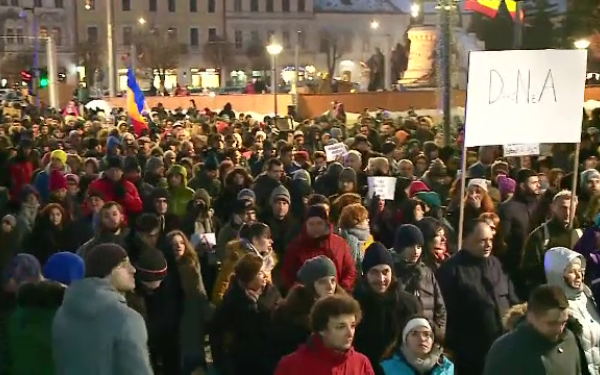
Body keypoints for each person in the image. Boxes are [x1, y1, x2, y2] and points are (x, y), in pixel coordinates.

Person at [52, 243, 153, 375]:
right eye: (123, 265)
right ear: (107, 271)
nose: (132, 269)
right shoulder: (126, 319)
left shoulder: (63, 312)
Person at [436, 219, 519, 375]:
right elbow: (444, 314)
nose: (488, 245)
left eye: (490, 240)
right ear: (466, 240)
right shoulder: (451, 271)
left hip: (504, 348)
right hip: (471, 356)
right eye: (482, 241)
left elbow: (511, 297)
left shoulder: (495, 264)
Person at [484, 285, 585, 375]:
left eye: (563, 322)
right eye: (551, 323)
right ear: (531, 317)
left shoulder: (569, 340)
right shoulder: (505, 350)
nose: (560, 329)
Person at [354, 242, 422, 375]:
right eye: (374, 272)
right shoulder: (355, 304)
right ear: (365, 275)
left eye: (385, 272)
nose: (381, 279)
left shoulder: (409, 304)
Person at [210, 253, 281, 375]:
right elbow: (217, 333)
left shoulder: (272, 292)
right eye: (259, 273)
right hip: (242, 362)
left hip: (270, 358)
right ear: (248, 278)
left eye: (264, 271)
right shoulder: (232, 299)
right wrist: (222, 364)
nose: (264, 276)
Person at [269, 255, 345, 367]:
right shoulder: (291, 315)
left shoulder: (343, 309)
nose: (330, 286)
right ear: (311, 285)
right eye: (322, 282)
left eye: (333, 280)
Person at [274, 294, 375, 375]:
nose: (350, 333)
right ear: (322, 329)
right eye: (340, 327)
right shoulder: (292, 365)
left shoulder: (361, 363)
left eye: (352, 326)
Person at [544, 247, 600, 374]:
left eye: (581, 270)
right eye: (572, 272)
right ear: (557, 273)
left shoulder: (588, 296)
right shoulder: (551, 306)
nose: (579, 275)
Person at [282, 205, 357, 291]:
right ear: (305, 225)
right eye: (311, 224)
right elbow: (288, 274)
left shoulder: (339, 244)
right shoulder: (296, 247)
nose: (315, 228)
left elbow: (350, 270)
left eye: (319, 223)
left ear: (326, 224)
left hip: (337, 294)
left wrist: (342, 289)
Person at [392, 224, 447, 335]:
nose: (416, 251)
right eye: (411, 246)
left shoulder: (426, 272)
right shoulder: (392, 272)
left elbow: (440, 307)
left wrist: (437, 332)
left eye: (419, 247)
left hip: (428, 337)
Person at [522, 191, 580, 292]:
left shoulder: (579, 234)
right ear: (553, 208)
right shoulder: (540, 235)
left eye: (571, 208)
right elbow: (530, 271)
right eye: (563, 208)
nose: (567, 213)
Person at [380, 316, 454, 375]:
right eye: (414, 334)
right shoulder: (387, 368)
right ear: (405, 340)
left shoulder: (446, 366)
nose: (422, 339)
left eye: (427, 334)